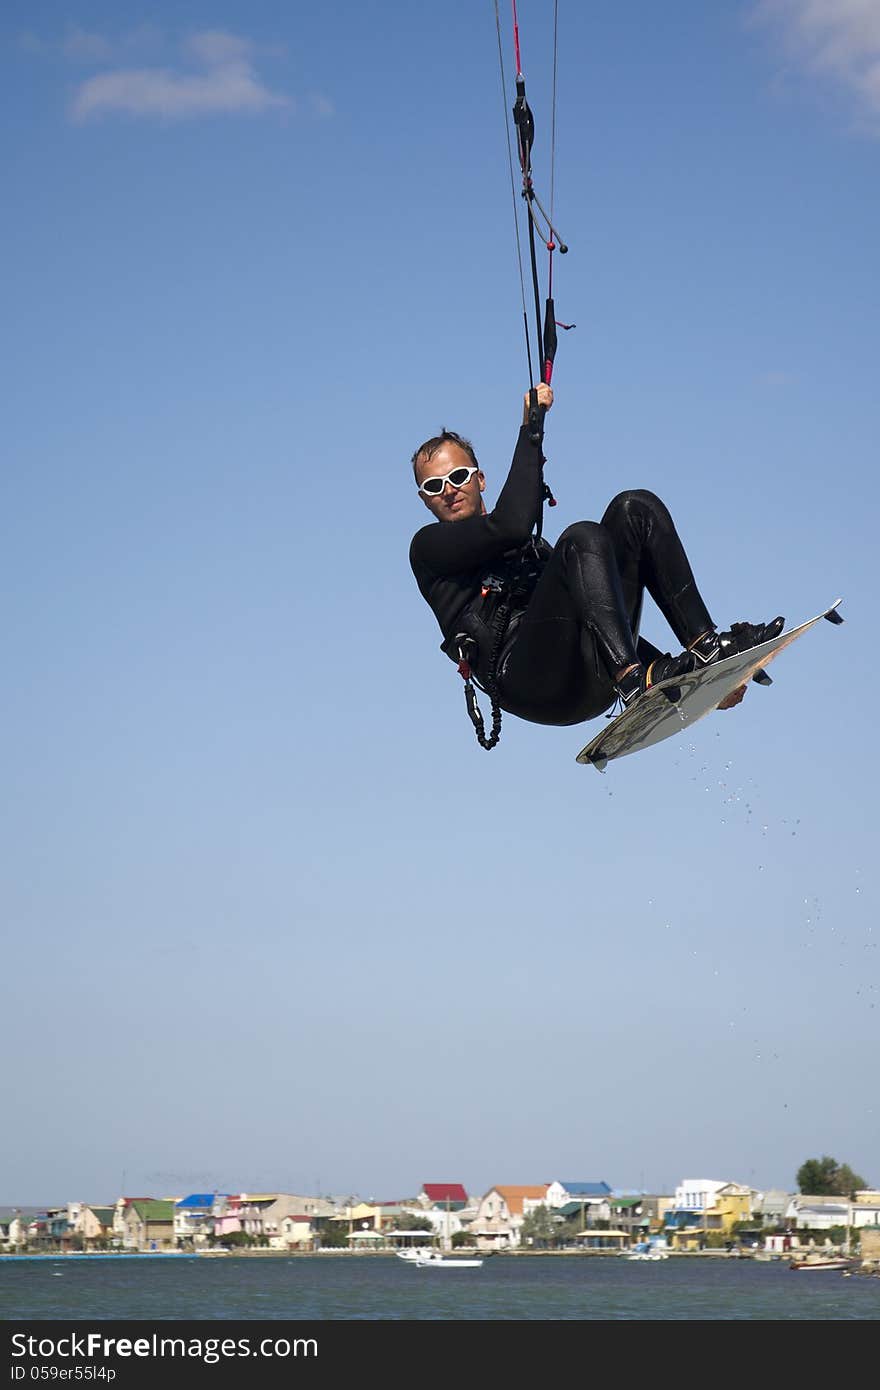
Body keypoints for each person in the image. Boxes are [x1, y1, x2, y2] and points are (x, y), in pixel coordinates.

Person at [409, 382, 783, 737]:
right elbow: (510, 526)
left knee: (634, 508)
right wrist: (530, 427)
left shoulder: (534, 552)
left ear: (480, 479)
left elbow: (599, 616)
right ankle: (634, 681)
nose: (449, 490)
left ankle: (705, 650)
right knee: (582, 537)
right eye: (433, 486)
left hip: (589, 670)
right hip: (531, 684)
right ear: (424, 499)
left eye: (458, 476)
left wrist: (700, 688)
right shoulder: (428, 549)